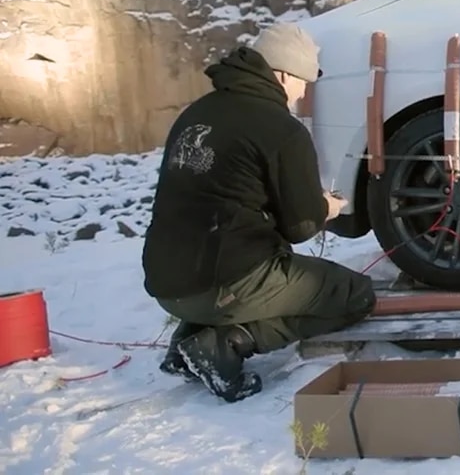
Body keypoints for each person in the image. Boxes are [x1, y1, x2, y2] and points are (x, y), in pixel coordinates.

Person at [141, 22, 376, 403]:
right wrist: (326, 207)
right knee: (354, 294)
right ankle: (227, 343)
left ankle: (187, 343)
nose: (303, 94)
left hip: (166, 282)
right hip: (224, 285)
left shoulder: (196, 113)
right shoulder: (281, 129)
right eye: (304, 82)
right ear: (283, 74)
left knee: (233, 255)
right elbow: (301, 227)